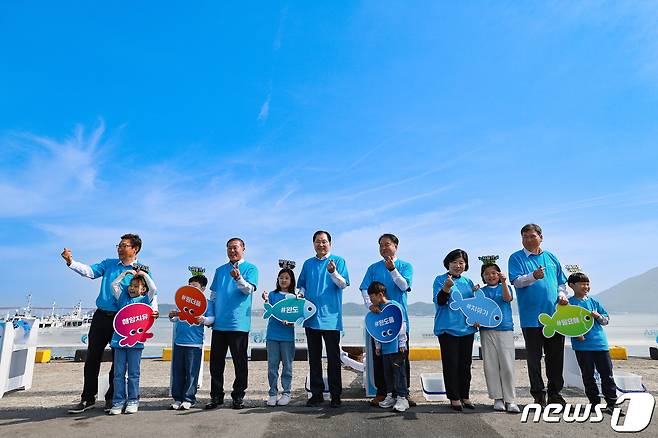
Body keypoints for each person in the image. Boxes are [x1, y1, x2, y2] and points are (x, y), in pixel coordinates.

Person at [62, 233, 159, 414]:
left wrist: (153, 311)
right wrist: (71, 262)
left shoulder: (143, 270)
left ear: (135, 249)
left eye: (124, 245)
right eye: (119, 245)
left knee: (119, 361)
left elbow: (151, 293)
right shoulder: (109, 263)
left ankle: (113, 398)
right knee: (92, 357)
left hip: (123, 320)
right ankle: (87, 398)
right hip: (101, 316)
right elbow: (90, 271)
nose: (119, 248)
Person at [508, 223, 568, 407]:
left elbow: (561, 282)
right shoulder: (516, 258)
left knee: (556, 357)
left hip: (555, 318)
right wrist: (533, 276)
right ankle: (538, 395)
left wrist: (561, 295)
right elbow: (516, 282)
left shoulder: (551, 257)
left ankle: (555, 394)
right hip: (531, 318)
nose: (528, 239)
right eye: (525, 236)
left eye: (532, 236)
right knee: (534, 358)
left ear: (541, 237)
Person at [359, 233, 413, 407]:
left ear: (396, 246)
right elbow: (364, 288)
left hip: (398, 320)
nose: (383, 247)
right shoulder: (373, 268)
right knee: (381, 359)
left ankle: (404, 393)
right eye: (380, 245)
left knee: (401, 359)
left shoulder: (405, 265)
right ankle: (384, 392)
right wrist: (369, 305)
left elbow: (404, 286)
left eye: (387, 244)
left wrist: (392, 269)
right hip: (378, 321)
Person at [204, 238, 258, 410]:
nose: (232, 251)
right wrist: (210, 317)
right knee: (216, 363)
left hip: (238, 323)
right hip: (219, 324)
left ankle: (238, 396)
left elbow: (248, 290)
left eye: (235, 247)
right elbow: (212, 297)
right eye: (229, 248)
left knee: (240, 362)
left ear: (243, 248)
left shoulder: (251, 268)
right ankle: (216, 396)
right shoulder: (220, 270)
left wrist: (238, 278)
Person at [298, 230, 350, 408]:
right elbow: (302, 286)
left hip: (331, 318)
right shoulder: (308, 264)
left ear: (330, 244)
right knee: (314, 358)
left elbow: (343, 284)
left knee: (333, 359)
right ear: (313, 244)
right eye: (318, 242)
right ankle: (317, 394)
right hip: (311, 317)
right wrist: (300, 294)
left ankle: (336, 395)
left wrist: (333, 272)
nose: (321, 244)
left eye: (324, 241)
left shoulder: (338, 261)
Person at [567, 272, 622, 416]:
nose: (586, 287)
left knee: (607, 374)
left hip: (600, 344)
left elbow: (606, 320)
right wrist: (575, 334)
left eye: (587, 284)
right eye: (583, 284)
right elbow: (564, 324)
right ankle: (594, 403)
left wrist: (598, 316)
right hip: (582, 346)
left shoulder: (594, 302)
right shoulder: (569, 303)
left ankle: (612, 404)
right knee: (588, 375)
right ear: (572, 285)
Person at [433, 248, 478, 411]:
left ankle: (465, 395)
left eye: (461, 262)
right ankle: (454, 397)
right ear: (448, 264)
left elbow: (474, 305)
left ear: (465, 265)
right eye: (454, 262)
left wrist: (478, 320)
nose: (458, 265)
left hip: (467, 328)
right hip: (447, 329)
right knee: (451, 364)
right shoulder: (440, 279)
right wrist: (446, 288)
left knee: (466, 364)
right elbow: (440, 302)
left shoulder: (468, 282)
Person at [108, 268, 157, 415]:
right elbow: (113, 286)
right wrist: (125, 275)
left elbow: (153, 288)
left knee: (134, 373)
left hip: (136, 342)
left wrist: (144, 275)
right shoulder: (123, 298)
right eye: (131, 285)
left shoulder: (144, 300)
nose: (132, 288)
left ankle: (133, 400)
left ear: (143, 290)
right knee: (118, 373)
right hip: (119, 341)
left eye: (136, 286)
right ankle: (118, 401)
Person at [479, 263, 520, 413]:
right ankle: (497, 398)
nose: (491, 276)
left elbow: (507, 298)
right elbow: (476, 309)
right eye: (487, 274)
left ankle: (510, 400)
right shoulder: (480, 292)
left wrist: (504, 282)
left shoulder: (506, 287)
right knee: (491, 366)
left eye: (494, 273)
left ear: (499, 274)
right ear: (483, 277)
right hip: (486, 330)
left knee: (508, 366)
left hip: (505, 328)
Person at [168, 272, 212, 410]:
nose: (191, 288)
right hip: (179, 342)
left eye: (195, 285)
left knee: (192, 373)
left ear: (203, 288)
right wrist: (171, 315)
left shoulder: (206, 304)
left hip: (195, 343)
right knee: (178, 372)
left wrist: (203, 319)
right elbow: (176, 318)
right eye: (189, 285)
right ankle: (177, 398)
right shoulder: (182, 301)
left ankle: (189, 398)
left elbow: (212, 319)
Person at [367, 281, 409, 412]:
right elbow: (376, 330)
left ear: (380, 294)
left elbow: (402, 325)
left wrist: (402, 342)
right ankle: (390, 396)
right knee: (388, 374)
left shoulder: (394, 306)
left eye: (371, 297)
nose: (370, 300)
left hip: (397, 348)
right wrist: (378, 346)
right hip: (385, 349)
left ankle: (402, 398)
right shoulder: (377, 310)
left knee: (399, 373)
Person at [262, 268, 297, 407]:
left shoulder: (295, 297)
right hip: (272, 335)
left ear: (291, 281)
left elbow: (297, 316)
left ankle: (286, 393)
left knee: (287, 366)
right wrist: (265, 300)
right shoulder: (272, 294)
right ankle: (272, 393)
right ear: (278, 279)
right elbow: (268, 310)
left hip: (287, 336)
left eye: (287, 278)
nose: (283, 280)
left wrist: (291, 322)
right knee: (272, 366)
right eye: (281, 277)